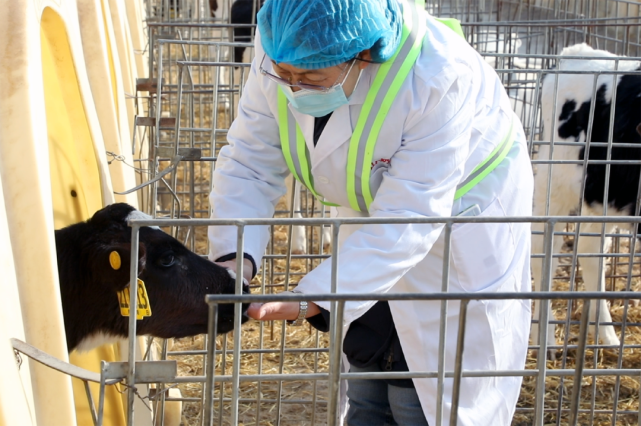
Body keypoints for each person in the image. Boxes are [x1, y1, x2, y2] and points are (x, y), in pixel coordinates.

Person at [208, 0, 533, 424]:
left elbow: (411, 215)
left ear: (362, 56)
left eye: (310, 78)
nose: (292, 88)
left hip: (459, 223)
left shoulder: (437, 76)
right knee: (366, 368)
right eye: (283, 75)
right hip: (372, 211)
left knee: (428, 391)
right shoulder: (286, 38)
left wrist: (311, 300)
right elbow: (250, 160)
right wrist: (236, 258)